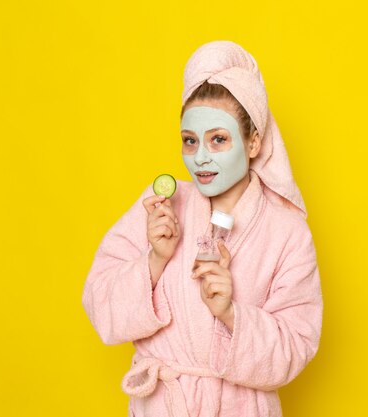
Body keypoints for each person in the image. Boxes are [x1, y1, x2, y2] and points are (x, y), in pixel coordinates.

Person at [81, 40, 323, 417]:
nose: (202, 157)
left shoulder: (287, 233)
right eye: (190, 141)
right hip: (162, 406)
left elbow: (297, 346)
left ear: (254, 141)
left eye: (219, 139)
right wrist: (155, 260)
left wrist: (231, 314)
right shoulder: (162, 205)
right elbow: (100, 308)